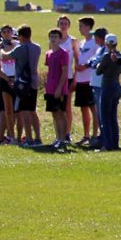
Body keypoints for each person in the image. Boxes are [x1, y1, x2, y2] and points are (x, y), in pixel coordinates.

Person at [3, 24, 42, 146]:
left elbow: (5, 56)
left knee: (24, 111)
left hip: (23, 83)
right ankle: (37, 137)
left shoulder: (20, 48)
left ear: (21, 36)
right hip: (34, 81)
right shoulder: (37, 47)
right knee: (32, 111)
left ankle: (29, 139)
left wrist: (3, 47)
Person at [73, 17, 99, 147]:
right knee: (83, 109)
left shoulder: (95, 42)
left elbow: (96, 59)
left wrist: (86, 66)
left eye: (82, 26)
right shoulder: (82, 42)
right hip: (81, 80)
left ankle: (95, 135)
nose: (80, 28)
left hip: (90, 79)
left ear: (89, 27)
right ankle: (86, 135)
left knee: (93, 108)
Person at [96, 34, 121, 151]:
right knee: (113, 116)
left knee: (105, 117)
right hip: (117, 85)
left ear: (106, 44)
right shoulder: (120, 55)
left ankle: (107, 144)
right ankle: (115, 142)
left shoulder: (106, 56)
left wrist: (98, 64)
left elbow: (98, 71)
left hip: (107, 86)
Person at [44, 28, 70, 147]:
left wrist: (59, 88)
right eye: (52, 36)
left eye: (55, 37)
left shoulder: (63, 53)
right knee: (54, 113)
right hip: (50, 88)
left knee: (60, 113)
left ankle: (63, 138)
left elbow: (65, 71)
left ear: (60, 39)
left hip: (59, 88)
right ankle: (57, 137)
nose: (53, 39)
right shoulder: (48, 53)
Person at [0, 25, 19, 144]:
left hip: (17, 79)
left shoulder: (17, 45)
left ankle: (17, 135)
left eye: (8, 31)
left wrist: (15, 77)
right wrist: (7, 78)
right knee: (8, 110)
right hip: (5, 80)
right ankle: (10, 136)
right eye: (4, 32)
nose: (6, 34)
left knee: (18, 110)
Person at [56, 15, 78, 144]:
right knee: (58, 107)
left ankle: (67, 133)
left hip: (68, 76)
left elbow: (77, 59)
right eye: (61, 23)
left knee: (67, 106)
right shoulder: (55, 40)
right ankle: (59, 133)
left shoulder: (72, 40)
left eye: (65, 23)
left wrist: (75, 78)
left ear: (68, 26)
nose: (63, 26)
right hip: (57, 78)